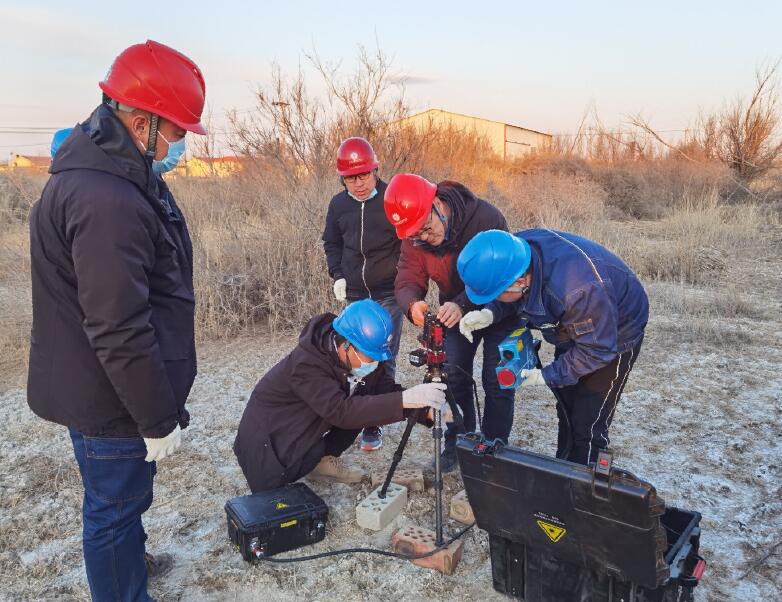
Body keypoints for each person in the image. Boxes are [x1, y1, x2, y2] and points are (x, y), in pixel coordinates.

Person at [27, 40, 206, 601]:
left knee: (123, 502)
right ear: (140, 119)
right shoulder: (105, 198)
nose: (179, 144)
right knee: (112, 508)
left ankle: (130, 559)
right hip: (114, 400)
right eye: (175, 131)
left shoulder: (112, 173)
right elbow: (119, 328)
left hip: (110, 389)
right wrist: (155, 419)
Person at [457, 229, 649, 466]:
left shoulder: (579, 289)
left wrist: (545, 376)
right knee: (566, 408)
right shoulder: (514, 253)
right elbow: (511, 294)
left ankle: (583, 487)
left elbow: (597, 349)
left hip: (615, 332)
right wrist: (490, 312)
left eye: (497, 295)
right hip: (574, 326)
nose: (495, 297)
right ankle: (565, 468)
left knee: (589, 420)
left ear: (520, 282)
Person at [233, 300, 448, 492]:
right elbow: (341, 411)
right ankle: (307, 462)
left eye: (378, 357)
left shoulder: (366, 356)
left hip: (306, 426)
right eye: (369, 356)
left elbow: (382, 391)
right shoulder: (306, 364)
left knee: (365, 403)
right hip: (267, 448)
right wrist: (406, 399)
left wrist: (426, 411)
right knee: (353, 410)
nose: (374, 363)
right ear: (346, 345)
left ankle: (322, 462)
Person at [384, 173, 519, 472]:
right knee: (452, 375)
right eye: (415, 236)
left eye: (427, 229)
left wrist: (462, 304)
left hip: (498, 305)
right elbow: (407, 277)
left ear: (437, 204)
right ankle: (459, 442)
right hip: (451, 311)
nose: (423, 238)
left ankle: (494, 449)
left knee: (496, 380)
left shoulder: (485, 217)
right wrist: (412, 304)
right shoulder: (415, 238)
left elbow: (501, 276)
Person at [322, 137, 403, 452]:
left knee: (383, 358)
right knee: (351, 358)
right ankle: (350, 415)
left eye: (364, 176)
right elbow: (331, 242)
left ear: (375, 170)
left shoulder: (391, 199)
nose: (357, 183)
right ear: (342, 178)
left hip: (388, 294)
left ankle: (374, 424)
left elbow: (406, 244)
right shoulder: (338, 205)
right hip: (356, 296)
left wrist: (406, 286)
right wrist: (338, 275)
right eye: (350, 178)